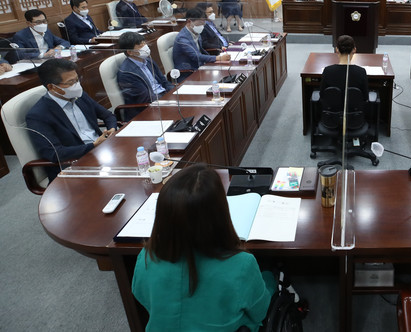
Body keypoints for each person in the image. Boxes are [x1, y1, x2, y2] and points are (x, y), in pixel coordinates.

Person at [132, 164, 274, 331]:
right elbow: (260, 311)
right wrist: (269, 279)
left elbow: (140, 295)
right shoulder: (242, 264)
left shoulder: (147, 257)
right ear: (220, 213)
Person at [26, 59, 117, 182]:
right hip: (74, 164)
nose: (76, 85)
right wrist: (93, 145)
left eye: (77, 80)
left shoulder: (80, 96)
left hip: (101, 152)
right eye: (70, 82)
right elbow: (54, 153)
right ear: (52, 87)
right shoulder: (38, 115)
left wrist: (112, 129)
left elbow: (108, 116)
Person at [117, 31, 173, 121]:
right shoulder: (127, 73)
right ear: (130, 52)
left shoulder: (148, 60)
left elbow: (164, 81)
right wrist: (169, 100)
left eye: (144, 43)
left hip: (163, 98)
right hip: (147, 109)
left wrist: (174, 92)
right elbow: (145, 99)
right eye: (140, 45)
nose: (145, 47)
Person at [173, 8, 230, 74]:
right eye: (200, 23)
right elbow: (196, 56)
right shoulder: (182, 38)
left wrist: (215, 59)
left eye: (203, 24)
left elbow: (201, 51)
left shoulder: (196, 33)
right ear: (189, 21)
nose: (202, 26)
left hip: (200, 66)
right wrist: (217, 58)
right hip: (188, 72)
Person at [320, 35, 368, 101]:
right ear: (354, 49)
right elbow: (365, 97)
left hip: (332, 107)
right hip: (354, 107)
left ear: (337, 49)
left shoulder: (327, 71)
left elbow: (322, 95)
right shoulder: (361, 72)